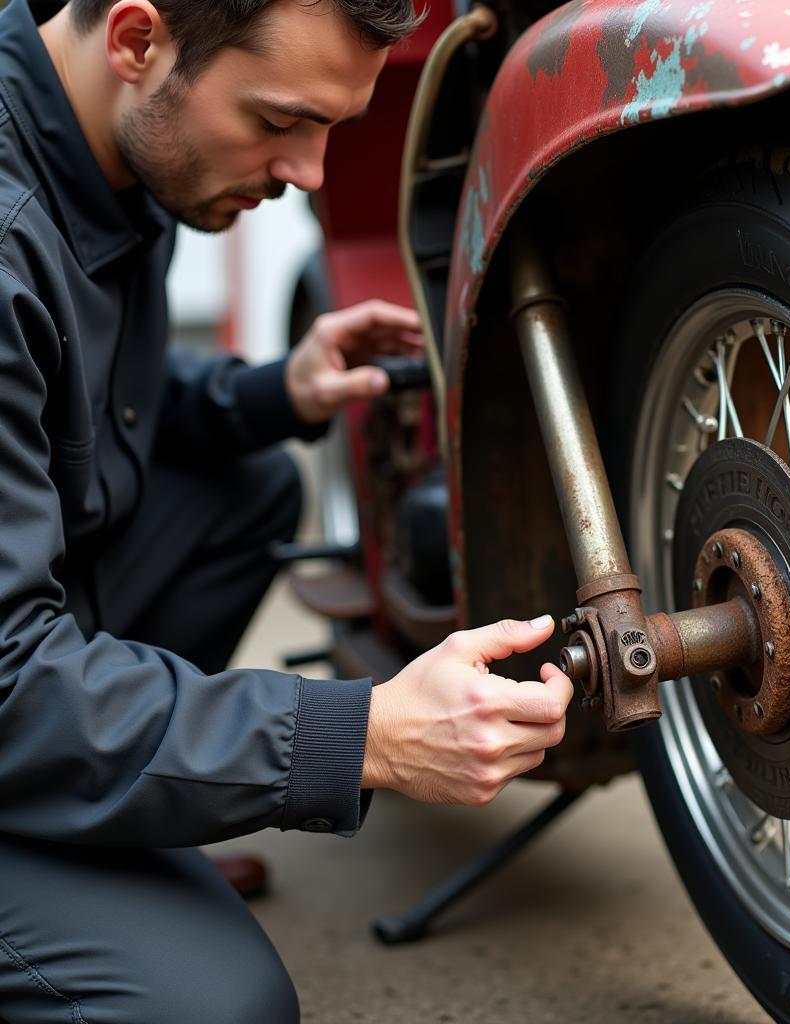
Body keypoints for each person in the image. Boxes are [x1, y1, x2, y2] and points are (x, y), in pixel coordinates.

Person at [0, 1, 575, 1021]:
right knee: (220, 1004)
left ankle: (110, 826)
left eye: (332, 130)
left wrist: (277, 393)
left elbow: (83, 401)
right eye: (278, 122)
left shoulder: (116, 153)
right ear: (137, 41)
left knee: (252, 482)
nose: (308, 173)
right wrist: (360, 735)